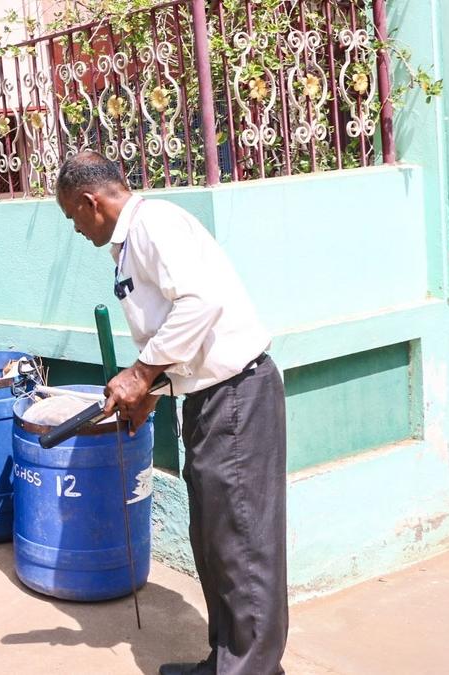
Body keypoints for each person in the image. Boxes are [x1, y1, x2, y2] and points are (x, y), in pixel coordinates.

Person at [55, 151, 288, 675]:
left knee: (243, 547)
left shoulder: (155, 223)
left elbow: (200, 304)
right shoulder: (132, 242)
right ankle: (226, 660)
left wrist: (139, 374)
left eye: (73, 216)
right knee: (216, 543)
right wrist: (148, 394)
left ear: (92, 202)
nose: (76, 229)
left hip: (237, 395)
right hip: (208, 397)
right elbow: (176, 335)